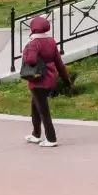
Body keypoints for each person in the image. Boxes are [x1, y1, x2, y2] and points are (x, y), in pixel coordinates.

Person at [20, 15, 69, 147]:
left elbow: (30, 60)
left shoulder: (33, 43)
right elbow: (59, 63)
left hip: (38, 80)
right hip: (50, 78)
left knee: (43, 110)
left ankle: (51, 138)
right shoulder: (51, 41)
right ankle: (36, 134)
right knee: (35, 106)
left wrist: (26, 51)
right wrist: (66, 79)